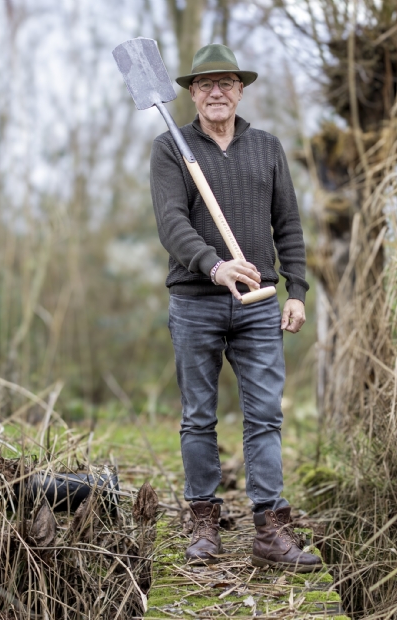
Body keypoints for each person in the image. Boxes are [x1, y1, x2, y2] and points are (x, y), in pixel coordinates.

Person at [149, 43, 322, 572]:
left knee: (265, 416)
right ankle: (204, 522)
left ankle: (270, 528)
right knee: (198, 417)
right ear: (192, 94)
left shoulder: (267, 147)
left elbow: (288, 224)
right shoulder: (170, 147)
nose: (216, 91)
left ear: (240, 90)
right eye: (205, 84)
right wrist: (213, 265)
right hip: (195, 301)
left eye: (226, 82)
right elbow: (171, 223)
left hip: (259, 303)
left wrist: (297, 290)